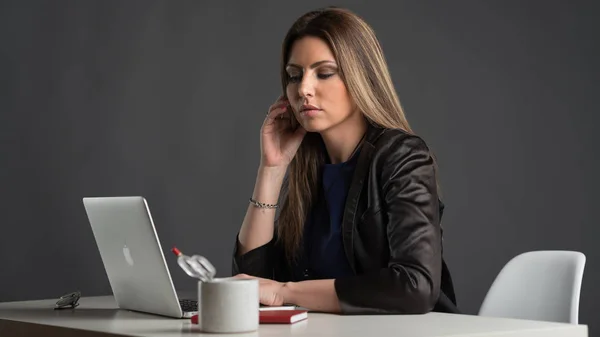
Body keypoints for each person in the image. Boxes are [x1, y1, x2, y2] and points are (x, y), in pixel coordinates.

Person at [231, 6, 459, 315]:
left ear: (361, 77)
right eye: (294, 75)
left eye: (324, 73)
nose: (303, 89)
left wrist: (287, 292)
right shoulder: (310, 168)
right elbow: (252, 287)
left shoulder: (403, 156)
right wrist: (271, 170)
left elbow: (415, 287)